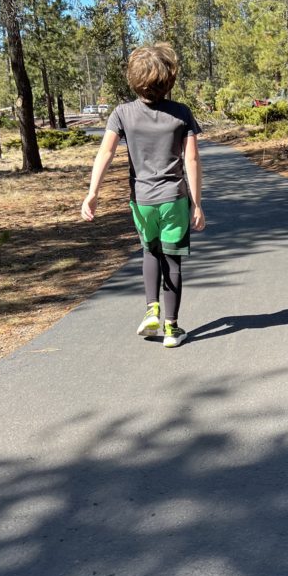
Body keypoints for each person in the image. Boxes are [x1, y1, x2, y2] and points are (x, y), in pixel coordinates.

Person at [81, 43, 205, 348]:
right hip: (174, 199)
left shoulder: (122, 113)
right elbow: (191, 160)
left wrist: (92, 192)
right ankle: (172, 329)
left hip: (142, 201)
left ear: (134, 79)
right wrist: (197, 203)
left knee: (150, 253)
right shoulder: (181, 113)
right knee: (172, 260)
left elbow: (106, 152)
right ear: (169, 79)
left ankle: (151, 310)